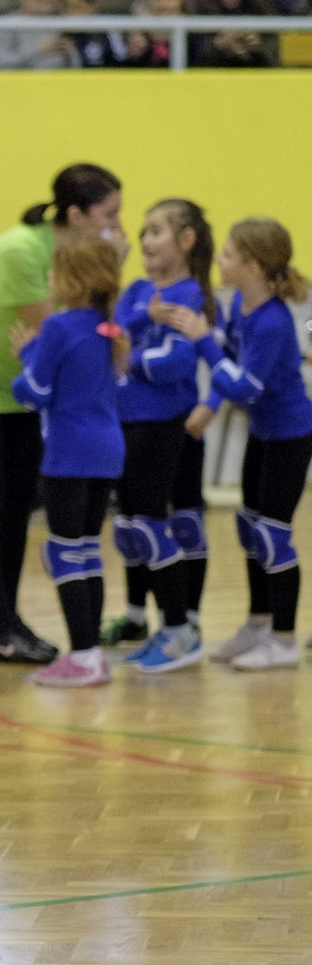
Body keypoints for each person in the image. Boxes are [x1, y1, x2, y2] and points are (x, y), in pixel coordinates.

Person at [0, 163, 126, 665]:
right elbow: (59, 333)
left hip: (26, 387)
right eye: (109, 214)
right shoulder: (21, 250)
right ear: (76, 215)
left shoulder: (74, 256)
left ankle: (10, 622)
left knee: (18, 504)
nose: (115, 226)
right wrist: (113, 269)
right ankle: (1, 625)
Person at [164, 219, 312, 670]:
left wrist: (202, 341)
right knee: (250, 528)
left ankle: (284, 640)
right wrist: (209, 404)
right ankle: (258, 622)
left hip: (289, 435)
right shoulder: (241, 306)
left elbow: (245, 386)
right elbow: (228, 362)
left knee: (273, 535)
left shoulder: (272, 320)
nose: (219, 260)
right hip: (263, 434)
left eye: (227, 254)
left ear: (252, 266)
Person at [10, 237, 130, 688]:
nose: (48, 278)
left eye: (55, 270)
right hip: (107, 450)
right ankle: (91, 653)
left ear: (74, 282)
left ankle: (82, 657)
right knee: (87, 550)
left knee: (65, 552)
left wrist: (25, 356)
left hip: (70, 453)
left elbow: (35, 393)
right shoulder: (108, 326)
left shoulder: (59, 326)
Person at [100, 200, 214, 672]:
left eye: (156, 231)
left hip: (166, 423)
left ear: (185, 241)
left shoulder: (191, 295)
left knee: (161, 522)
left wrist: (129, 358)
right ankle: (148, 621)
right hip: (126, 420)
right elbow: (109, 333)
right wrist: (142, 321)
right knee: (130, 525)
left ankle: (181, 627)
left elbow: (177, 363)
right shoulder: (137, 292)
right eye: (143, 231)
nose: (145, 241)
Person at [186, 0, 283, 66]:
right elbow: (193, 59)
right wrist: (217, 45)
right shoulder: (199, 11)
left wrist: (258, 47)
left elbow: (275, 59)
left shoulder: (259, 8)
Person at [0, 0, 76, 70]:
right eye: (39, 0)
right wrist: (40, 51)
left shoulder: (58, 24)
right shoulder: (7, 25)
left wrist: (72, 54)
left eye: (50, 3)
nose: (44, 8)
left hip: (57, 78)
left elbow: (74, 67)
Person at [61, 0, 131, 67]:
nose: (71, 13)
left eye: (77, 7)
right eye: (67, 7)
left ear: (93, 7)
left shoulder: (108, 31)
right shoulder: (59, 33)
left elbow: (121, 62)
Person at [123, 0, 187, 66]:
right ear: (145, 0)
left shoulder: (194, 34)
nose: (163, 4)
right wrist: (134, 56)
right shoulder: (132, 34)